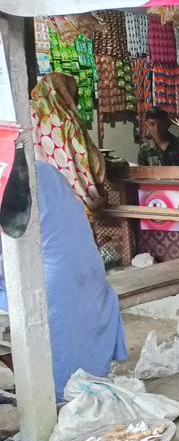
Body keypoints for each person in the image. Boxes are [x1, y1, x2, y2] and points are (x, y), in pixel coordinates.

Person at [0, 162, 128, 400]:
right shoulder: (45, 169)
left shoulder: (8, 181)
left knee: (7, 322)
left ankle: (37, 391)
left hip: (54, 286)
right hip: (91, 273)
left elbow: (10, 250)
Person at [30, 72, 106, 214]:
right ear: (64, 91)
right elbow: (90, 158)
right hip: (74, 201)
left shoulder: (31, 117)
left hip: (43, 199)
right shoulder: (67, 121)